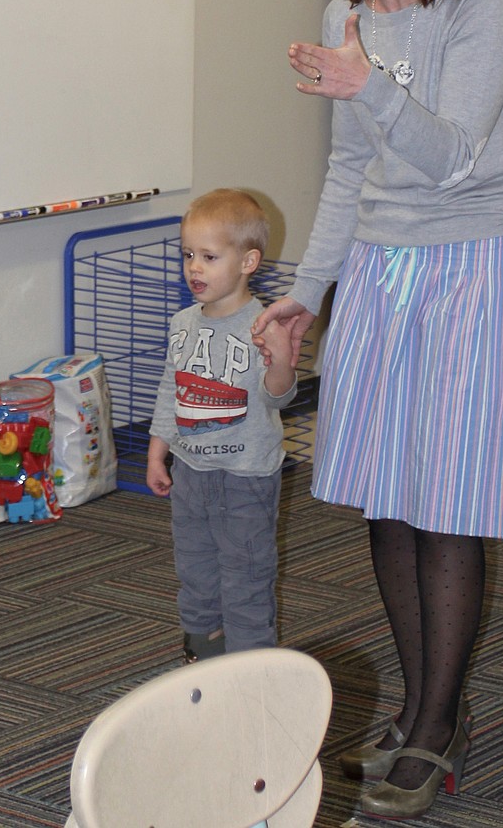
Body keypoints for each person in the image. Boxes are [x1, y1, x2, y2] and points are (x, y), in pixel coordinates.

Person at [254, 0, 503, 820]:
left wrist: (366, 84)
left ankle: (433, 720)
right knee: (388, 493)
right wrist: (307, 291)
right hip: (384, 270)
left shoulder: (486, 4)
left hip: (479, 259)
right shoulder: (345, 17)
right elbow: (350, 167)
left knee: (450, 501)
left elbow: (456, 157)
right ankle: (430, 700)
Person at [147, 188, 298, 663]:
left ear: (248, 261)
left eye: (210, 257)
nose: (195, 267)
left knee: (246, 575)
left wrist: (281, 362)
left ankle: (251, 668)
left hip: (247, 477)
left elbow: (281, 396)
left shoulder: (262, 325)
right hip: (192, 473)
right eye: (188, 254)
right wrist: (157, 449)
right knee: (194, 570)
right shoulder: (183, 323)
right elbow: (172, 390)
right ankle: (201, 654)